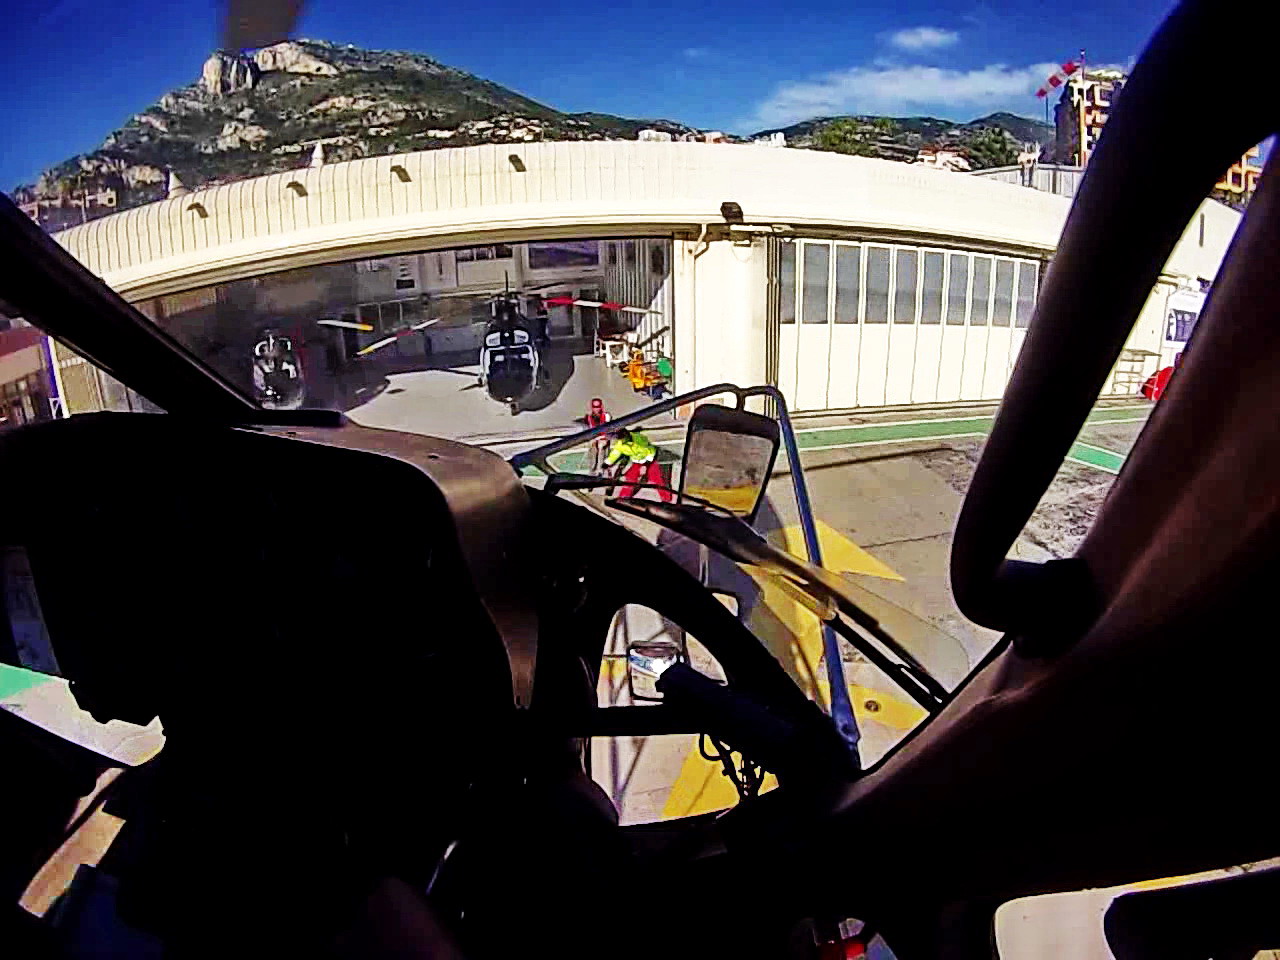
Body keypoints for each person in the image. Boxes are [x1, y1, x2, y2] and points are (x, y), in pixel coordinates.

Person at [604, 427, 673, 502]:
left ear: (625, 435)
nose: (619, 440)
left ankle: (666, 500)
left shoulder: (639, 440)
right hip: (637, 462)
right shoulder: (621, 444)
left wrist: (645, 465)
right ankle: (623, 498)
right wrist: (607, 463)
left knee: (657, 479)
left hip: (650, 460)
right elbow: (615, 453)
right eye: (618, 439)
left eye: (620, 438)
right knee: (630, 478)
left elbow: (650, 452)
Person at [585, 398, 611, 475]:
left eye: (598, 407)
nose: (596, 409)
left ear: (601, 406)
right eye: (594, 407)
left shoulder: (606, 415)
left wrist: (603, 439)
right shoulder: (588, 417)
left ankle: (601, 470)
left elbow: (608, 429)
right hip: (594, 438)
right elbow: (588, 430)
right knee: (593, 451)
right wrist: (591, 440)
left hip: (603, 438)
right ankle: (592, 472)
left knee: (602, 450)